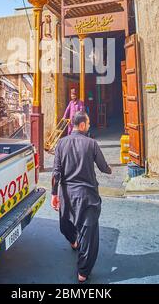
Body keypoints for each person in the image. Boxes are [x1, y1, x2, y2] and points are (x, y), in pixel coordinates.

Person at [51, 111, 112, 283]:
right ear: (83, 125)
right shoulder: (92, 144)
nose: (90, 125)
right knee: (89, 235)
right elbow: (102, 166)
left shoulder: (61, 143)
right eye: (89, 123)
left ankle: (73, 241)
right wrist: (109, 170)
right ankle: (83, 272)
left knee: (66, 224)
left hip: (68, 195)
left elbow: (56, 172)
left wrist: (54, 193)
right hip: (87, 196)